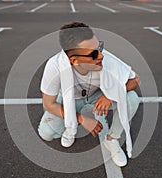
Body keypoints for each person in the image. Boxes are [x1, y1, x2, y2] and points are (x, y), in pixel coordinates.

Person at [38, 22, 140, 167]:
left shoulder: (106, 59)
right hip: (69, 100)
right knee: (47, 133)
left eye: (99, 47)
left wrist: (109, 95)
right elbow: (48, 104)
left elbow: (135, 80)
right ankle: (70, 127)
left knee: (132, 99)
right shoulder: (54, 66)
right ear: (74, 61)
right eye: (93, 54)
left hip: (96, 97)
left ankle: (112, 139)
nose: (101, 55)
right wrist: (81, 119)